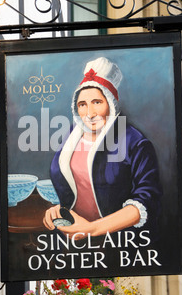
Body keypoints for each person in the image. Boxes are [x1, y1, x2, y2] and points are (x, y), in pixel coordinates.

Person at [43, 56, 162, 241]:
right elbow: (72, 184)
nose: (89, 114)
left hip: (118, 243)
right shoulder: (72, 136)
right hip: (73, 241)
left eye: (97, 102)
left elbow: (147, 199)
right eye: (82, 104)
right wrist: (59, 209)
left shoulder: (135, 142)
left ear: (111, 103)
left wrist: (92, 229)